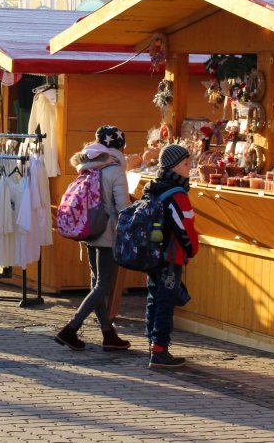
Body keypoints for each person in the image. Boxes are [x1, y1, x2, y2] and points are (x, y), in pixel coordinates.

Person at [55, 126, 131, 352]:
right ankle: (70, 328)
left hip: (88, 228)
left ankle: (108, 333)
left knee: (96, 282)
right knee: (103, 284)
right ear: (121, 146)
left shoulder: (88, 166)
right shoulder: (115, 170)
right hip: (107, 234)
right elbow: (123, 206)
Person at [142, 144, 199, 369]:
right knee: (165, 301)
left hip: (153, 253)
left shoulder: (152, 188)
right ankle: (160, 350)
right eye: (186, 164)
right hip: (171, 255)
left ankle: (152, 343)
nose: (189, 168)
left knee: (153, 298)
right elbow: (185, 227)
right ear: (175, 167)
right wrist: (192, 249)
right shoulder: (177, 193)